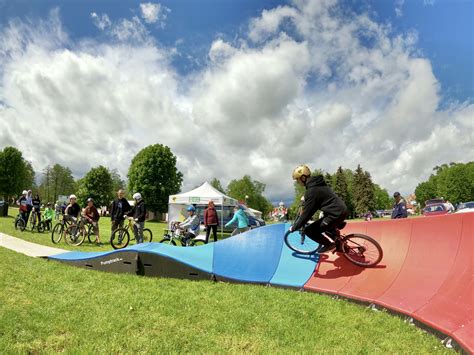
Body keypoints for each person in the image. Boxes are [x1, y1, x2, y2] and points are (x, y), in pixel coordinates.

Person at [289, 165, 349, 253]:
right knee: (328, 230)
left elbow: (306, 214)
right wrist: (306, 197)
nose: (297, 182)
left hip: (335, 215)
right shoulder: (319, 185)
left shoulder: (312, 191)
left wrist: (294, 227)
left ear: (303, 178)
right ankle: (342, 246)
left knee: (309, 230)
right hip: (342, 210)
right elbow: (319, 197)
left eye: (297, 180)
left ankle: (329, 245)